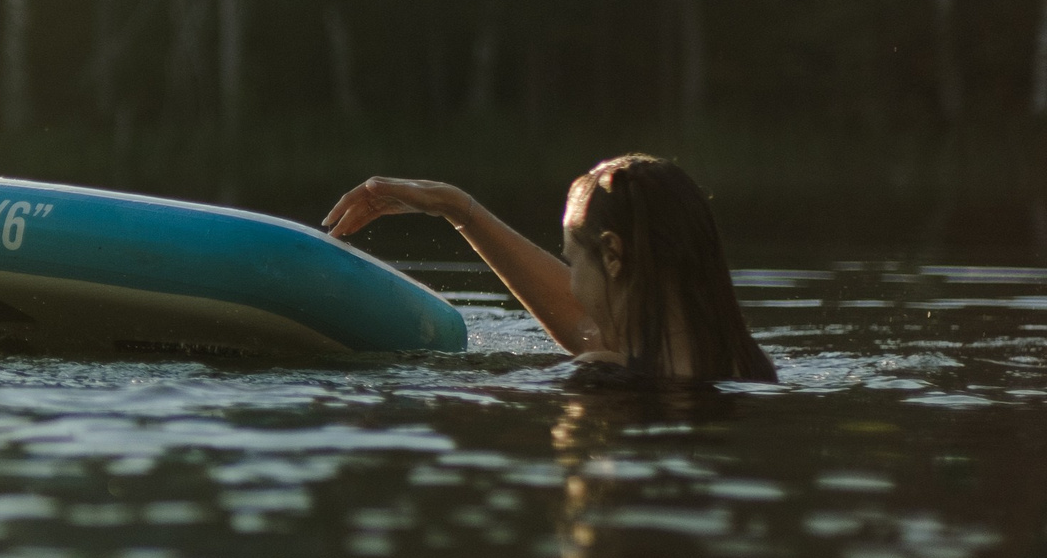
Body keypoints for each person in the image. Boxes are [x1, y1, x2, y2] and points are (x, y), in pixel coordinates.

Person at [321, 153, 777, 382]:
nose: (573, 285)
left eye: (571, 260)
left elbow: (594, 345)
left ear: (613, 256)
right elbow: (590, 327)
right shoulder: (746, 367)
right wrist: (459, 210)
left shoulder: (604, 374)